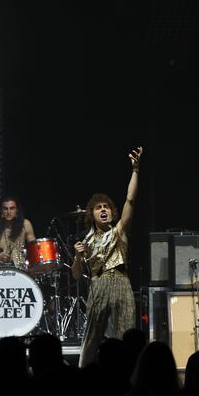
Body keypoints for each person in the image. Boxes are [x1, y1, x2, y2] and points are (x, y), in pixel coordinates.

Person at [73, 147, 142, 368]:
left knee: (126, 333)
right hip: (99, 283)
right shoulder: (87, 241)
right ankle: (85, 372)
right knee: (92, 336)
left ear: (112, 212)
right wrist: (77, 256)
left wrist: (135, 170)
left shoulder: (119, 230)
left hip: (121, 281)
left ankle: (130, 373)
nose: (103, 210)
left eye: (106, 207)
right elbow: (76, 275)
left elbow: (130, 200)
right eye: (98, 208)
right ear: (91, 214)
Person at [0, 196, 36, 269]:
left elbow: (35, 250)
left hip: (20, 270)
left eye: (12, 208)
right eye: (5, 209)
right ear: (1, 211)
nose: (9, 212)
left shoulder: (25, 224)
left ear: (17, 210)